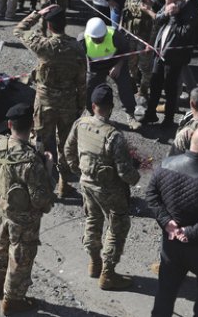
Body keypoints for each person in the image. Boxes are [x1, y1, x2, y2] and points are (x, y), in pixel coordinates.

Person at [0, 103, 55, 316]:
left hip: (1, 208)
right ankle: (12, 301)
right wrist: (48, 171)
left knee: (0, 245)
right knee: (21, 257)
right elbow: (41, 201)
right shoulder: (32, 161)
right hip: (23, 219)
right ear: (32, 126)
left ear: (9, 124)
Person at [64, 84, 141, 290]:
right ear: (111, 107)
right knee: (118, 226)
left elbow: (68, 149)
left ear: (93, 105)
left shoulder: (80, 124)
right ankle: (108, 273)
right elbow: (125, 172)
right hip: (110, 189)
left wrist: (78, 170)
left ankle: (94, 262)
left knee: (92, 219)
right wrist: (136, 178)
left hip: (86, 184)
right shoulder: (114, 136)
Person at [147, 126, 198, 317]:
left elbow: (151, 196)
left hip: (171, 245)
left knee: (165, 291)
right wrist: (188, 233)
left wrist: (167, 222)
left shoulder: (166, 165)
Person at [14, 5, 86, 199]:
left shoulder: (44, 46)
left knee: (40, 143)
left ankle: (40, 185)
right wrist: (80, 106)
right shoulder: (78, 48)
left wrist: (37, 14)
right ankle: (64, 184)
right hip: (68, 103)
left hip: (45, 103)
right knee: (65, 145)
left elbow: (19, 30)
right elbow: (82, 82)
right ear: (65, 24)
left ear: (49, 26)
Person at [142, 0, 198, 126]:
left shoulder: (191, 12)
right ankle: (150, 114)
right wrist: (167, 13)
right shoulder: (169, 5)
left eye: (169, 3)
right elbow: (158, 19)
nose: (166, 6)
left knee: (170, 89)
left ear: (179, 1)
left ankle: (168, 120)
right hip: (160, 53)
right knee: (155, 83)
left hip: (174, 57)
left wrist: (174, 16)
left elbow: (184, 34)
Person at [80, 17, 141, 130]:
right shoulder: (82, 39)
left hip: (115, 63)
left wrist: (118, 66)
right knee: (89, 88)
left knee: (125, 85)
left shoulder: (114, 35)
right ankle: (93, 114)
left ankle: (131, 115)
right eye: (96, 39)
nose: (99, 41)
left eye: (101, 38)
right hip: (96, 67)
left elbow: (126, 50)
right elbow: (78, 58)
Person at [121, 0, 160, 101]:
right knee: (131, 64)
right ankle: (132, 85)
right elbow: (124, 13)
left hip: (145, 39)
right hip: (130, 36)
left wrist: (151, 42)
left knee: (145, 67)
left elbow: (156, 23)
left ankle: (143, 91)